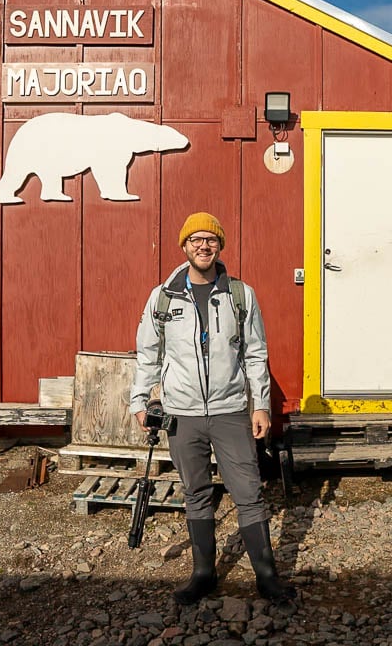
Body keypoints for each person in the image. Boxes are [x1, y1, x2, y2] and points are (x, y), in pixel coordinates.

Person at [131, 212, 295, 604]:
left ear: (220, 246)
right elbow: (148, 354)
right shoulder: (162, 297)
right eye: (196, 240)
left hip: (230, 410)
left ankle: (267, 577)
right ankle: (204, 573)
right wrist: (139, 400)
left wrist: (261, 407)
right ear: (184, 246)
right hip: (182, 413)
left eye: (211, 240)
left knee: (249, 492)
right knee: (196, 492)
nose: (203, 246)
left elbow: (256, 354)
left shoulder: (241, 294)